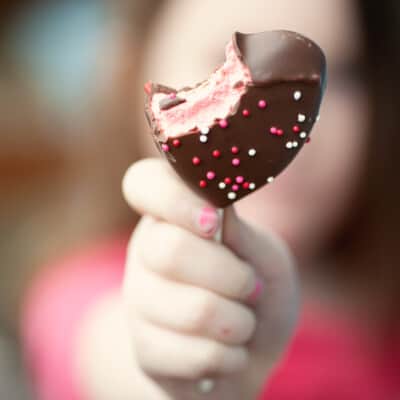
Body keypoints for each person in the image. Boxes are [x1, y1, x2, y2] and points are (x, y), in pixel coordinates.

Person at [21, 0, 400, 399]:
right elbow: (115, 352)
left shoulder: (385, 311)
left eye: (337, 74)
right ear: (133, 72)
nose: (286, 109)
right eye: (228, 59)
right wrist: (172, 374)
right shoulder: (90, 293)